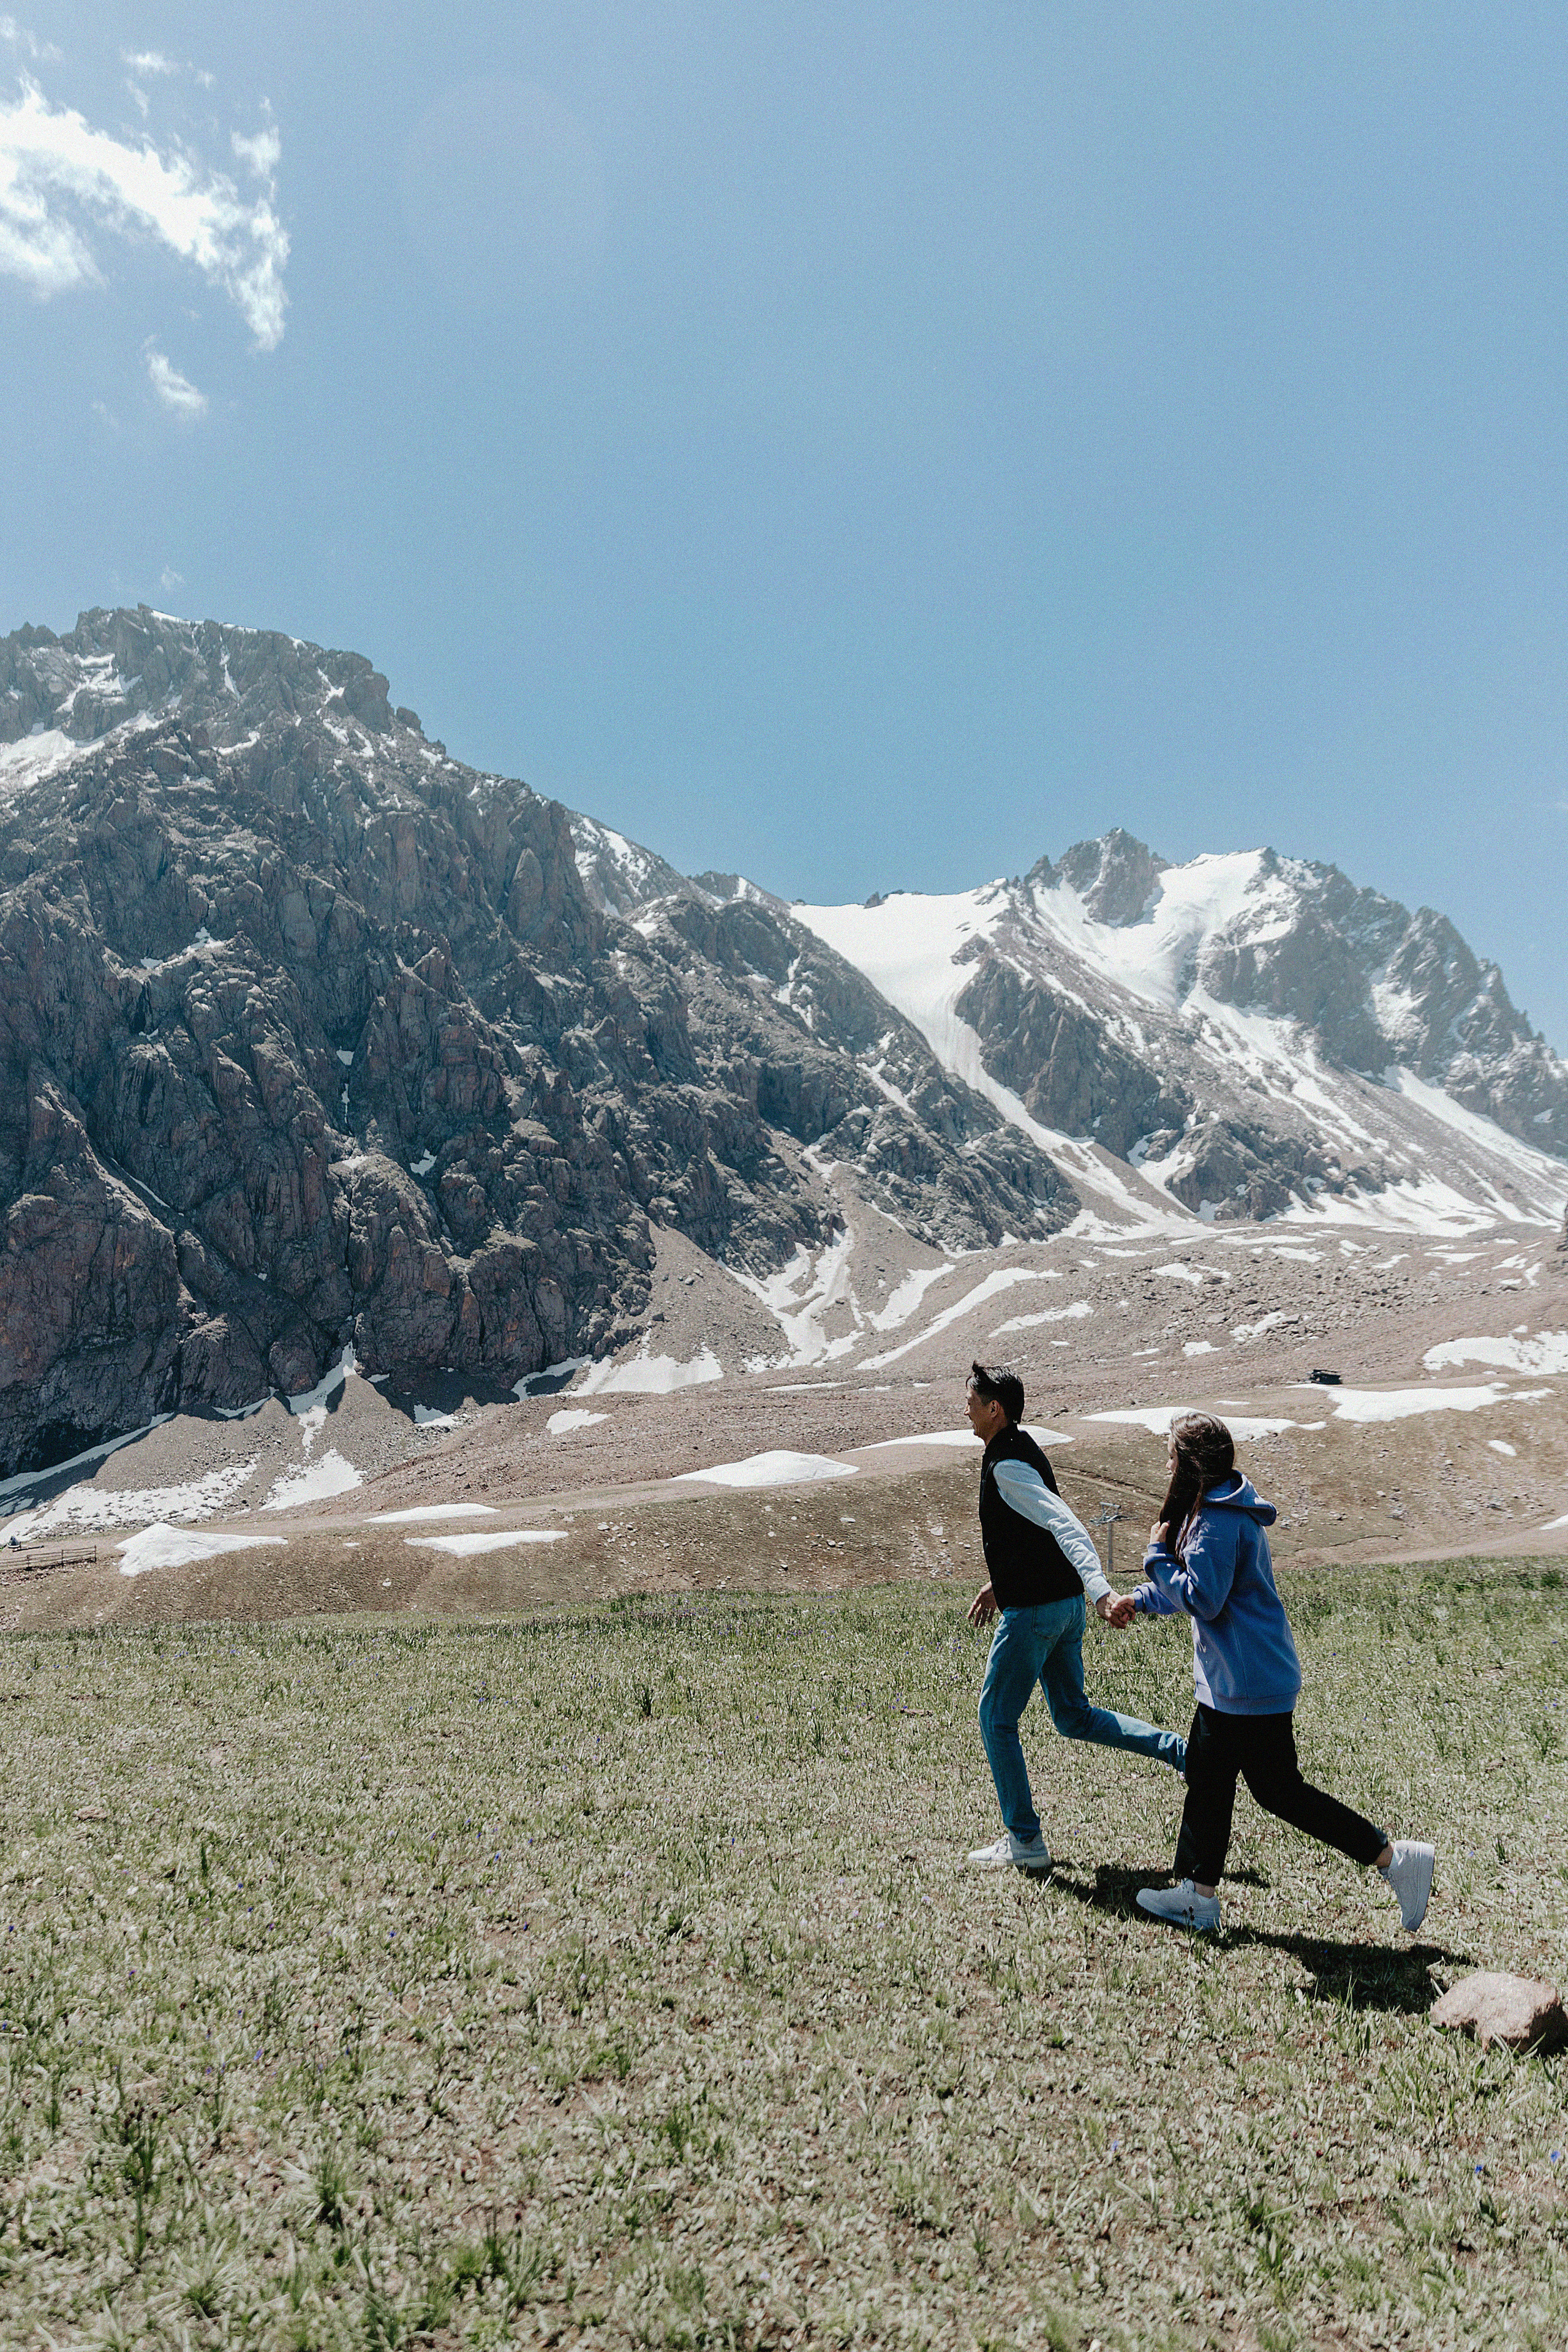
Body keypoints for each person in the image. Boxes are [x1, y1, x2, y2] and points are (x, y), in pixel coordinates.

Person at [1106, 1412, 1434, 1934]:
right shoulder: (1217, 1512)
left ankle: (1394, 1858)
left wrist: (1153, 1558)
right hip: (1242, 1682)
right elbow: (1196, 1588)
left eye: (1170, 1454)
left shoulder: (1216, 1522)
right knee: (1216, 1782)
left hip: (1247, 1684)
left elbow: (1204, 1600)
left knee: (1273, 1792)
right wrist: (1142, 1601)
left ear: (1188, 1464)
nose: (1165, 1463)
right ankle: (1198, 1895)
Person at [963, 1360, 1186, 1873]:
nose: (966, 1410)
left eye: (972, 1401)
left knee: (996, 1719)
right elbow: (1035, 1532)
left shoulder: (1007, 1464)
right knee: (1072, 1716)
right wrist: (1003, 1583)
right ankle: (1180, 1753)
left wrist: (1102, 1593)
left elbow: (1064, 1525)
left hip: (1039, 1614)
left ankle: (1025, 1841)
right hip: (1061, 1609)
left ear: (995, 1409)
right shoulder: (1021, 1448)